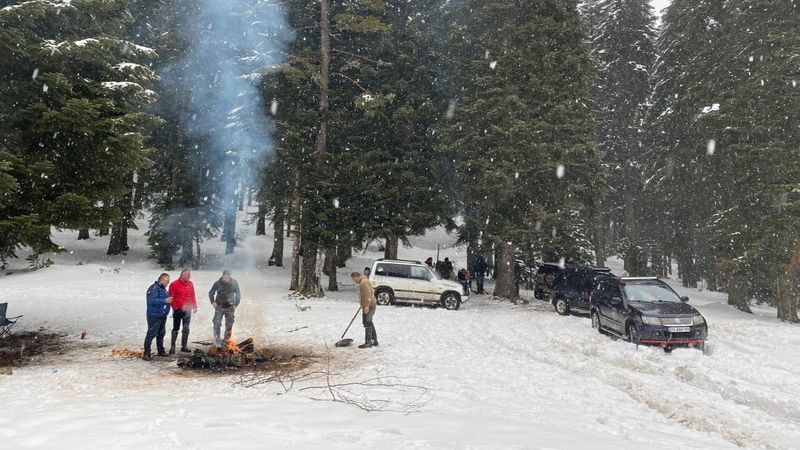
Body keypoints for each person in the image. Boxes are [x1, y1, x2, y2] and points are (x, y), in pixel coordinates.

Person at [208, 269, 241, 349]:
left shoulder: (234, 283)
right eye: (225, 277)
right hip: (219, 306)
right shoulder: (217, 283)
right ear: (223, 276)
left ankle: (226, 341)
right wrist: (213, 302)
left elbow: (238, 294)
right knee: (216, 323)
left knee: (229, 325)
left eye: (228, 277)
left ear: (230, 276)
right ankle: (217, 342)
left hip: (230, 307)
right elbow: (211, 292)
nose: (227, 278)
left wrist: (235, 304)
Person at [143, 273, 173, 360]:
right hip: (154, 315)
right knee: (151, 333)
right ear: (162, 280)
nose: (168, 283)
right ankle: (146, 353)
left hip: (162, 315)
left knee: (161, 333)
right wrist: (165, 300)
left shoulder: (163, 289)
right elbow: (152, 301)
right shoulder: (154, 288)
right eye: (167, 281)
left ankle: (161, 351)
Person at [168, 268, 198, 354]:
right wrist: (175, 308)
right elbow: (171, 298)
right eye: (186, 275)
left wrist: (194, 306)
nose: (188, 277)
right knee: (176, 328)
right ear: (181, 275)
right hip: (178, 310)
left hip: (187, 309)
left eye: (189, 275)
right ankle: (172, 347)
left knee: (186, 328)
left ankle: (184, 346)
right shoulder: (174, 284)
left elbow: (192, 295)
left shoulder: (190, 284)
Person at [350, 271, 378, 349]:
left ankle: (368, 342)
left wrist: (366, 306)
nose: (353, 281)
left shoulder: (363, 283)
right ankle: (374, 340)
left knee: (367, 321)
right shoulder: (362, 281)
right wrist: (363, 304)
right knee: (367, 321)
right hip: (367, 304)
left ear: (356, 277)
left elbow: (367, 295)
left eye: (353, 279)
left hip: (370, 305)